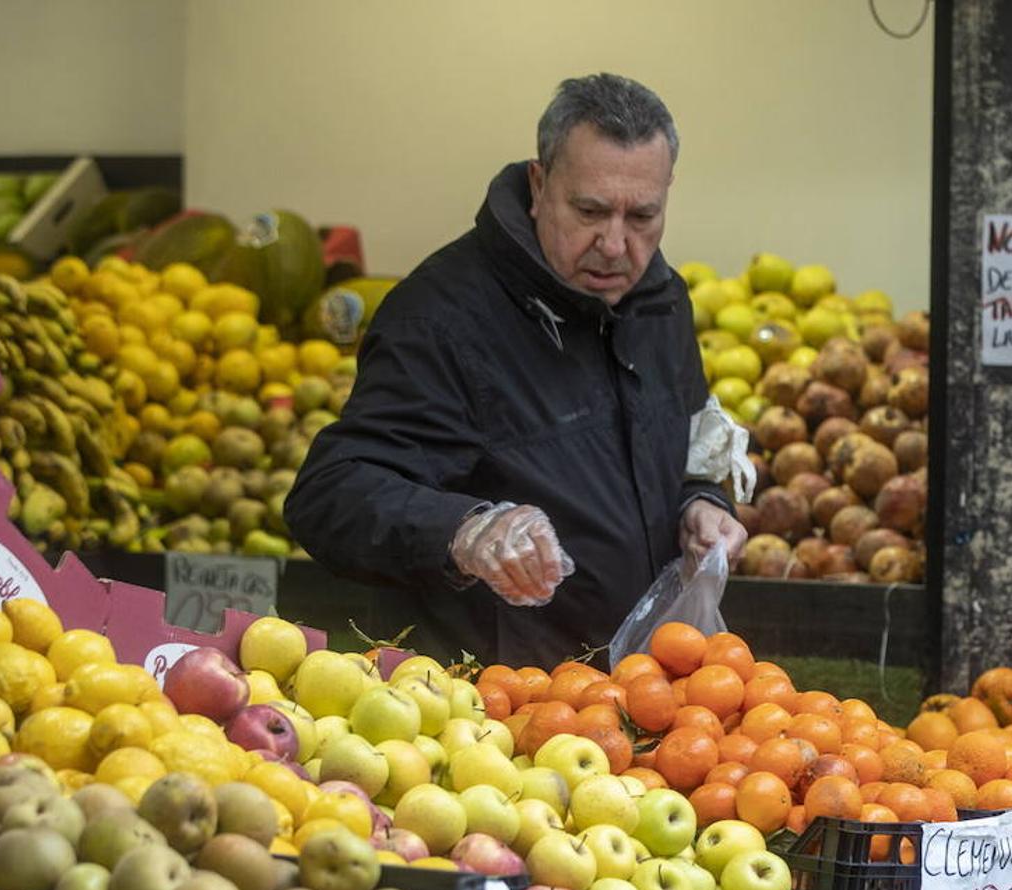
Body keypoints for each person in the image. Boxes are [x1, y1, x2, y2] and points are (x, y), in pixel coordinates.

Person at [287, 74, 748, 666]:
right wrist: (464, 531)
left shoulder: (659, 300)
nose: (614, 244)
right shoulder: (440, 317)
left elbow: (687, 446)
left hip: (637, 693)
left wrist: (702, 503)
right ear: (539, 184)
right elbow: (329, 494)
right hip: (493, 711)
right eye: (590, 210)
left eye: (642, 216)